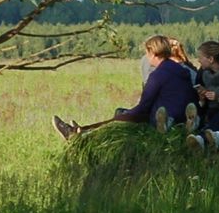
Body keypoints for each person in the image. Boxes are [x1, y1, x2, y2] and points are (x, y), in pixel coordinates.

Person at [53, 34, 195, 139]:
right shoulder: (181, 71)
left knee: (120, 117)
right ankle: (81, 130)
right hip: (180, 117)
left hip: (163, 119)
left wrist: (121, 118)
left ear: (152, 53)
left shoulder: (157, 75)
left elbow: (143, 108)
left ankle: (81, 133)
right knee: (123, 115)